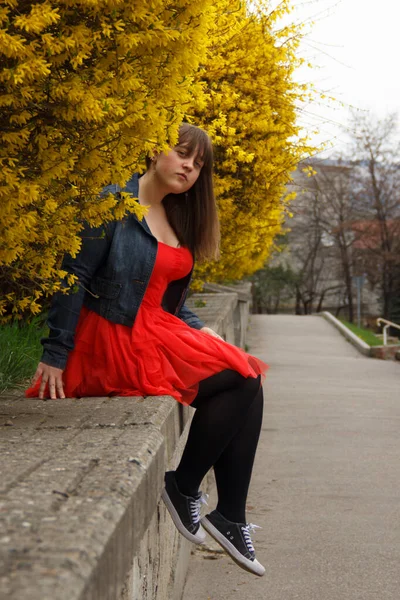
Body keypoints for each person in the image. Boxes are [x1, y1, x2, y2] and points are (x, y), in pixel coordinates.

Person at [26, 123, 268, 577]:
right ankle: (187, 490)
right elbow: (73, 275)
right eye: (182, 155)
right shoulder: (114, 203)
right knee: (242, 378)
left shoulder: (178, 216)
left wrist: (203, 333)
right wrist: (56, 351)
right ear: (155, 150)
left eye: (198, 165)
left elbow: (170, 301)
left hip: (155, 328)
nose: (189, 168)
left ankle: (227, 514)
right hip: (112, 336)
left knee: (247, 374)